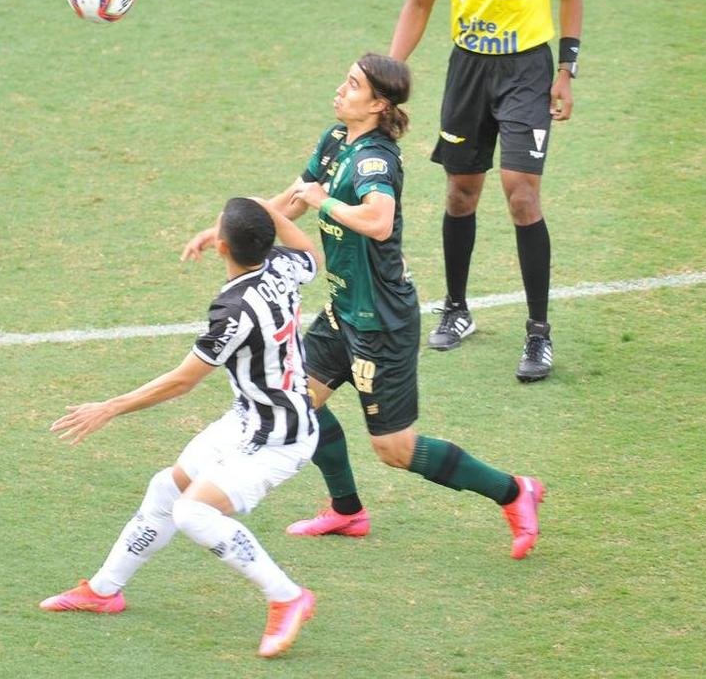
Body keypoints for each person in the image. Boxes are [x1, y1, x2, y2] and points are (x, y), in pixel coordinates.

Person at [182, 54, 545, 559]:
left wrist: (323, 201)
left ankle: (514, 491)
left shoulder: (377, 160)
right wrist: (228, 228)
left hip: (383, 322)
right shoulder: (336, 141)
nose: (340, 90)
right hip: (342, 310)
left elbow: (377, 221)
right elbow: (291, 200)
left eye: (352, 85)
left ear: (377, 104)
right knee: (294, 404)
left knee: (394, 449)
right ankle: (347, 510)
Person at [39, 197, 321, 659]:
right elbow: (309, 250)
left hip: (277, 440)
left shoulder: (234, 310)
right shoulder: (283, 267)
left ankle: (287, 597)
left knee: (193, 512)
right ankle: (105, 590)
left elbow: (183, 381)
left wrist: (109, 407)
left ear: (222, 246)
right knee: (165, 490)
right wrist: (264, 215)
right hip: (252, 418)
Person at [389, 0, 584, 382]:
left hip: (527, 72)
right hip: (468, 71)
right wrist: (389, 71)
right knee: (460, 193)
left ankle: (538, 332)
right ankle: (457, 308)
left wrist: (566, 71)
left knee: (521, 195)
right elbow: (418, 3)